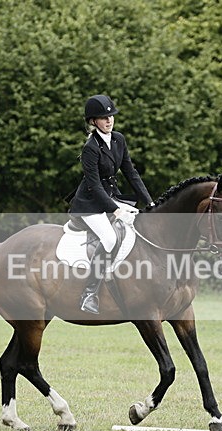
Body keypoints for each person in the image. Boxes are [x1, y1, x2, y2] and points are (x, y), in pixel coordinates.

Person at [69, 94, 155, 314]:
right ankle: (89, 293)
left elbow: (130, 172)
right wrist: (116, 210)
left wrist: (149, 201)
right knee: (109, 237)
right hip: (90, 203)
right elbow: (94, 185)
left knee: (137, 226)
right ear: (93, 122)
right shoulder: (91, 147)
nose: (109, 120)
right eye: (103, 117)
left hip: (111, 197)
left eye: (111, 116)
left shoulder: (118, 139)